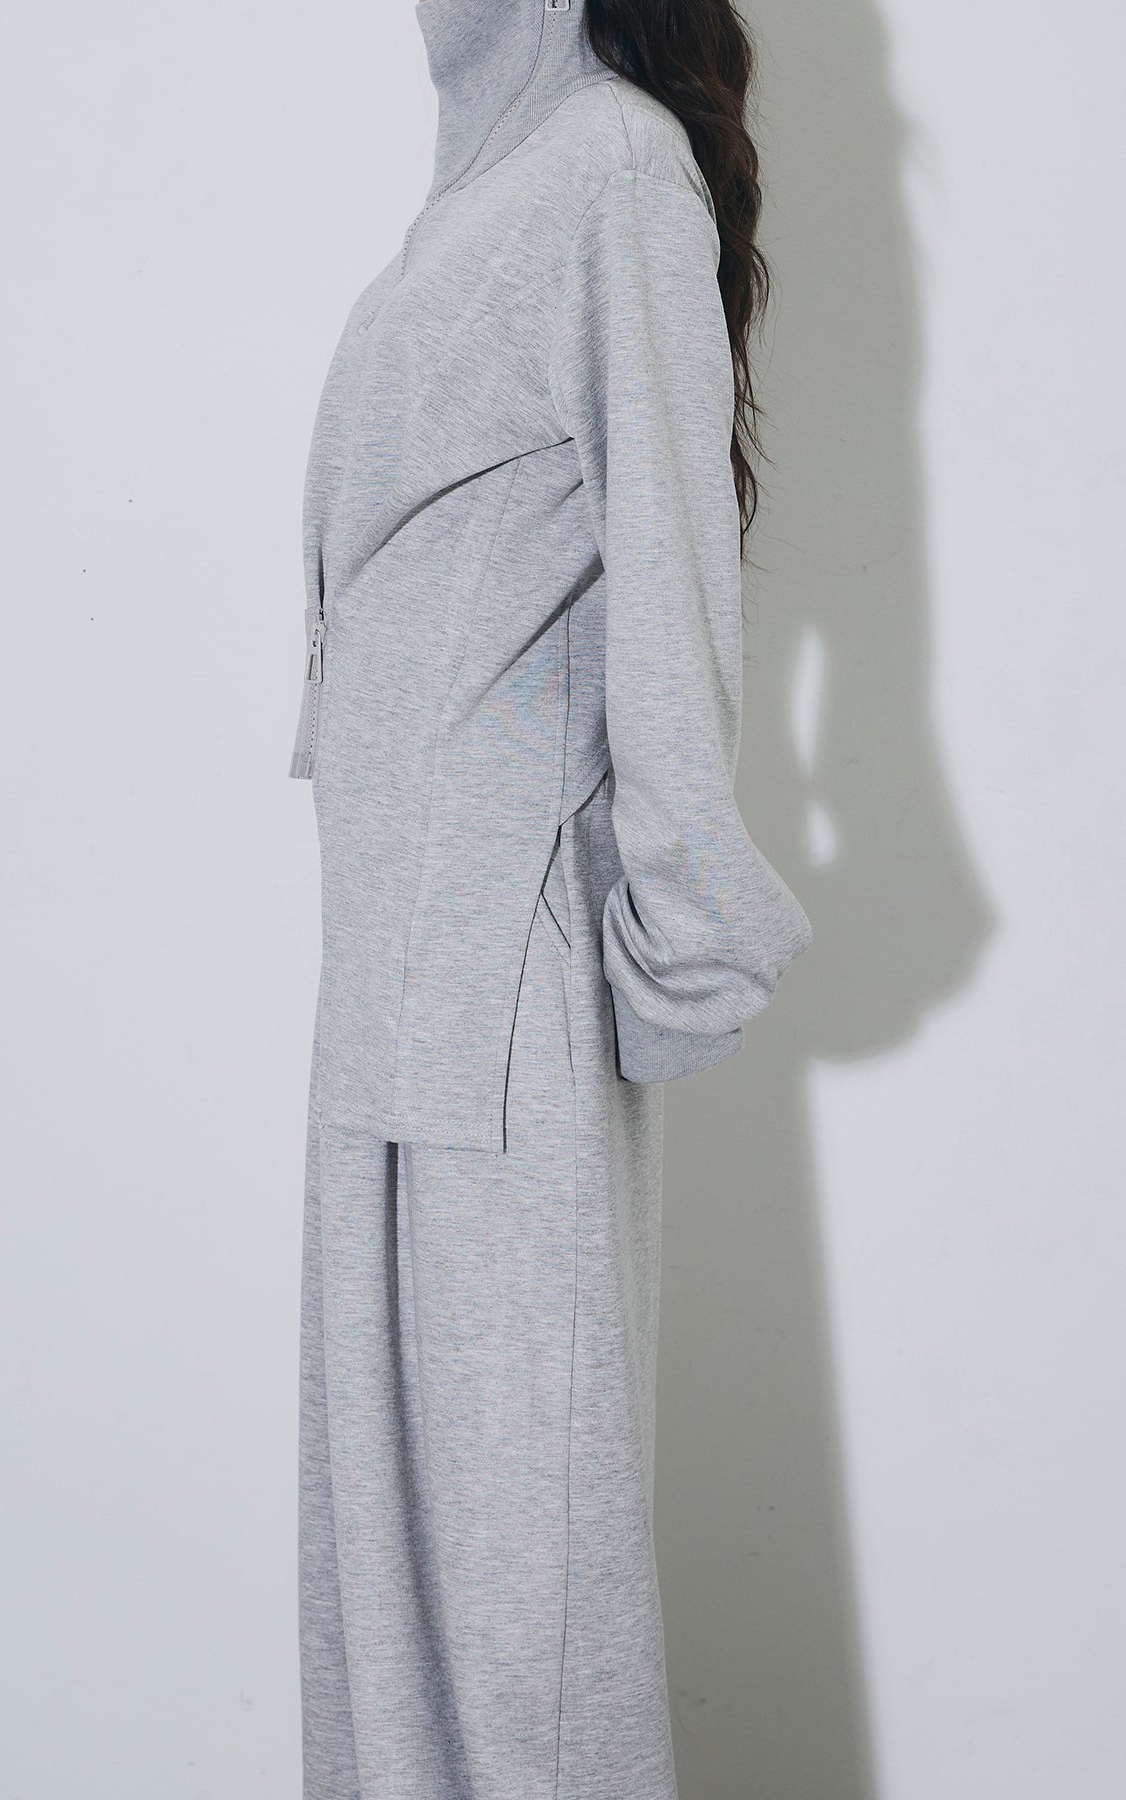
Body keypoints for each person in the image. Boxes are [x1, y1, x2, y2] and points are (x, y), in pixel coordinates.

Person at [289, 1, 812, 1793]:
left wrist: (683, 934)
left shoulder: (611, 169)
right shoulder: (464, 200)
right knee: (384, 1589)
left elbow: (672, 575)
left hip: (504, 973)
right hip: (385, 970)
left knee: (531, 1584)